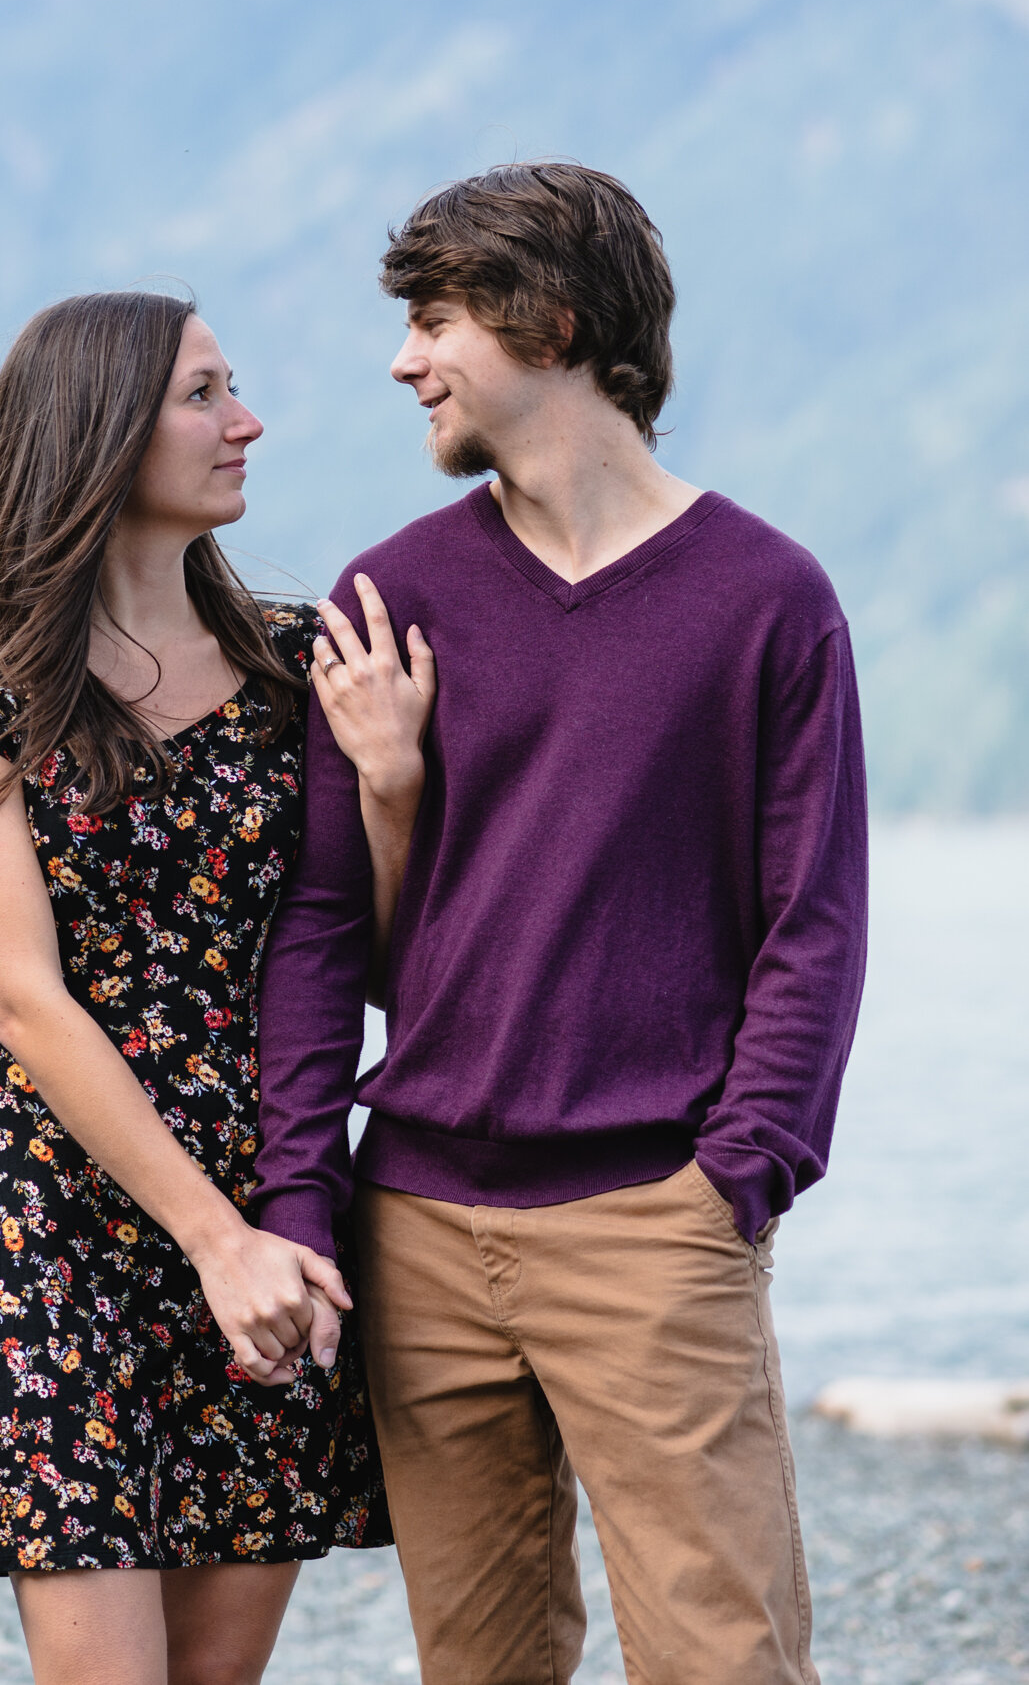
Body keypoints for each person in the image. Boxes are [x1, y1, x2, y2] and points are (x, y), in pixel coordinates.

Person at [256, 161, 869, 1685]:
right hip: (417, 1224)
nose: (404, 360)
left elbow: (813, 923)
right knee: (479, 1667)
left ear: (552, 322)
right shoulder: (387, 595)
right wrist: (295, 1195)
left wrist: (734, 1178)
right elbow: (325, 929)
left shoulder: (764, 598)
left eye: (435, 317)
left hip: (650, 1217)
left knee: (722, 1660)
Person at [0, 291, 407, 1685]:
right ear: (99, 431)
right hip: (59, 1224)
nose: (246, 422)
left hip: (268, 1194)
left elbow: (364, 947)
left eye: (231, 388)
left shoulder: (300, 666)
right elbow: (24, 1002)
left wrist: (398, 784)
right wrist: (208, 1239)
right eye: (203, 394)